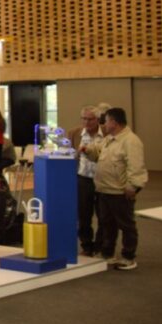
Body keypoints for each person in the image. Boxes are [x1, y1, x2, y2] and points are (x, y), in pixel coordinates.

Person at [81, 107, 146, 271]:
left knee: (126, 225)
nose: (103, 124)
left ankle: (128, 257)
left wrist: (133, 186)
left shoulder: (131, 141)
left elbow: (136, 166)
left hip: (120, 192)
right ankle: (107, 253)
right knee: (107, 224)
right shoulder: (109, 139)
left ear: (114, 123)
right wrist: (87, 150)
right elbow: (97, 153)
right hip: (104, 190)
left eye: (106, 121)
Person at [70, 104, 107, 256]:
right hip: (83, 179)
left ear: (98, 119)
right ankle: (86, 246)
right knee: (83, 216)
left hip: (103, 179)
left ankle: (99, 246)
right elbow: (69, 155)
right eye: (84, 119)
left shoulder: (107, 132)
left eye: (90, 119)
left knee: (104, 215)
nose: (86, 122)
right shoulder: (74, 133)